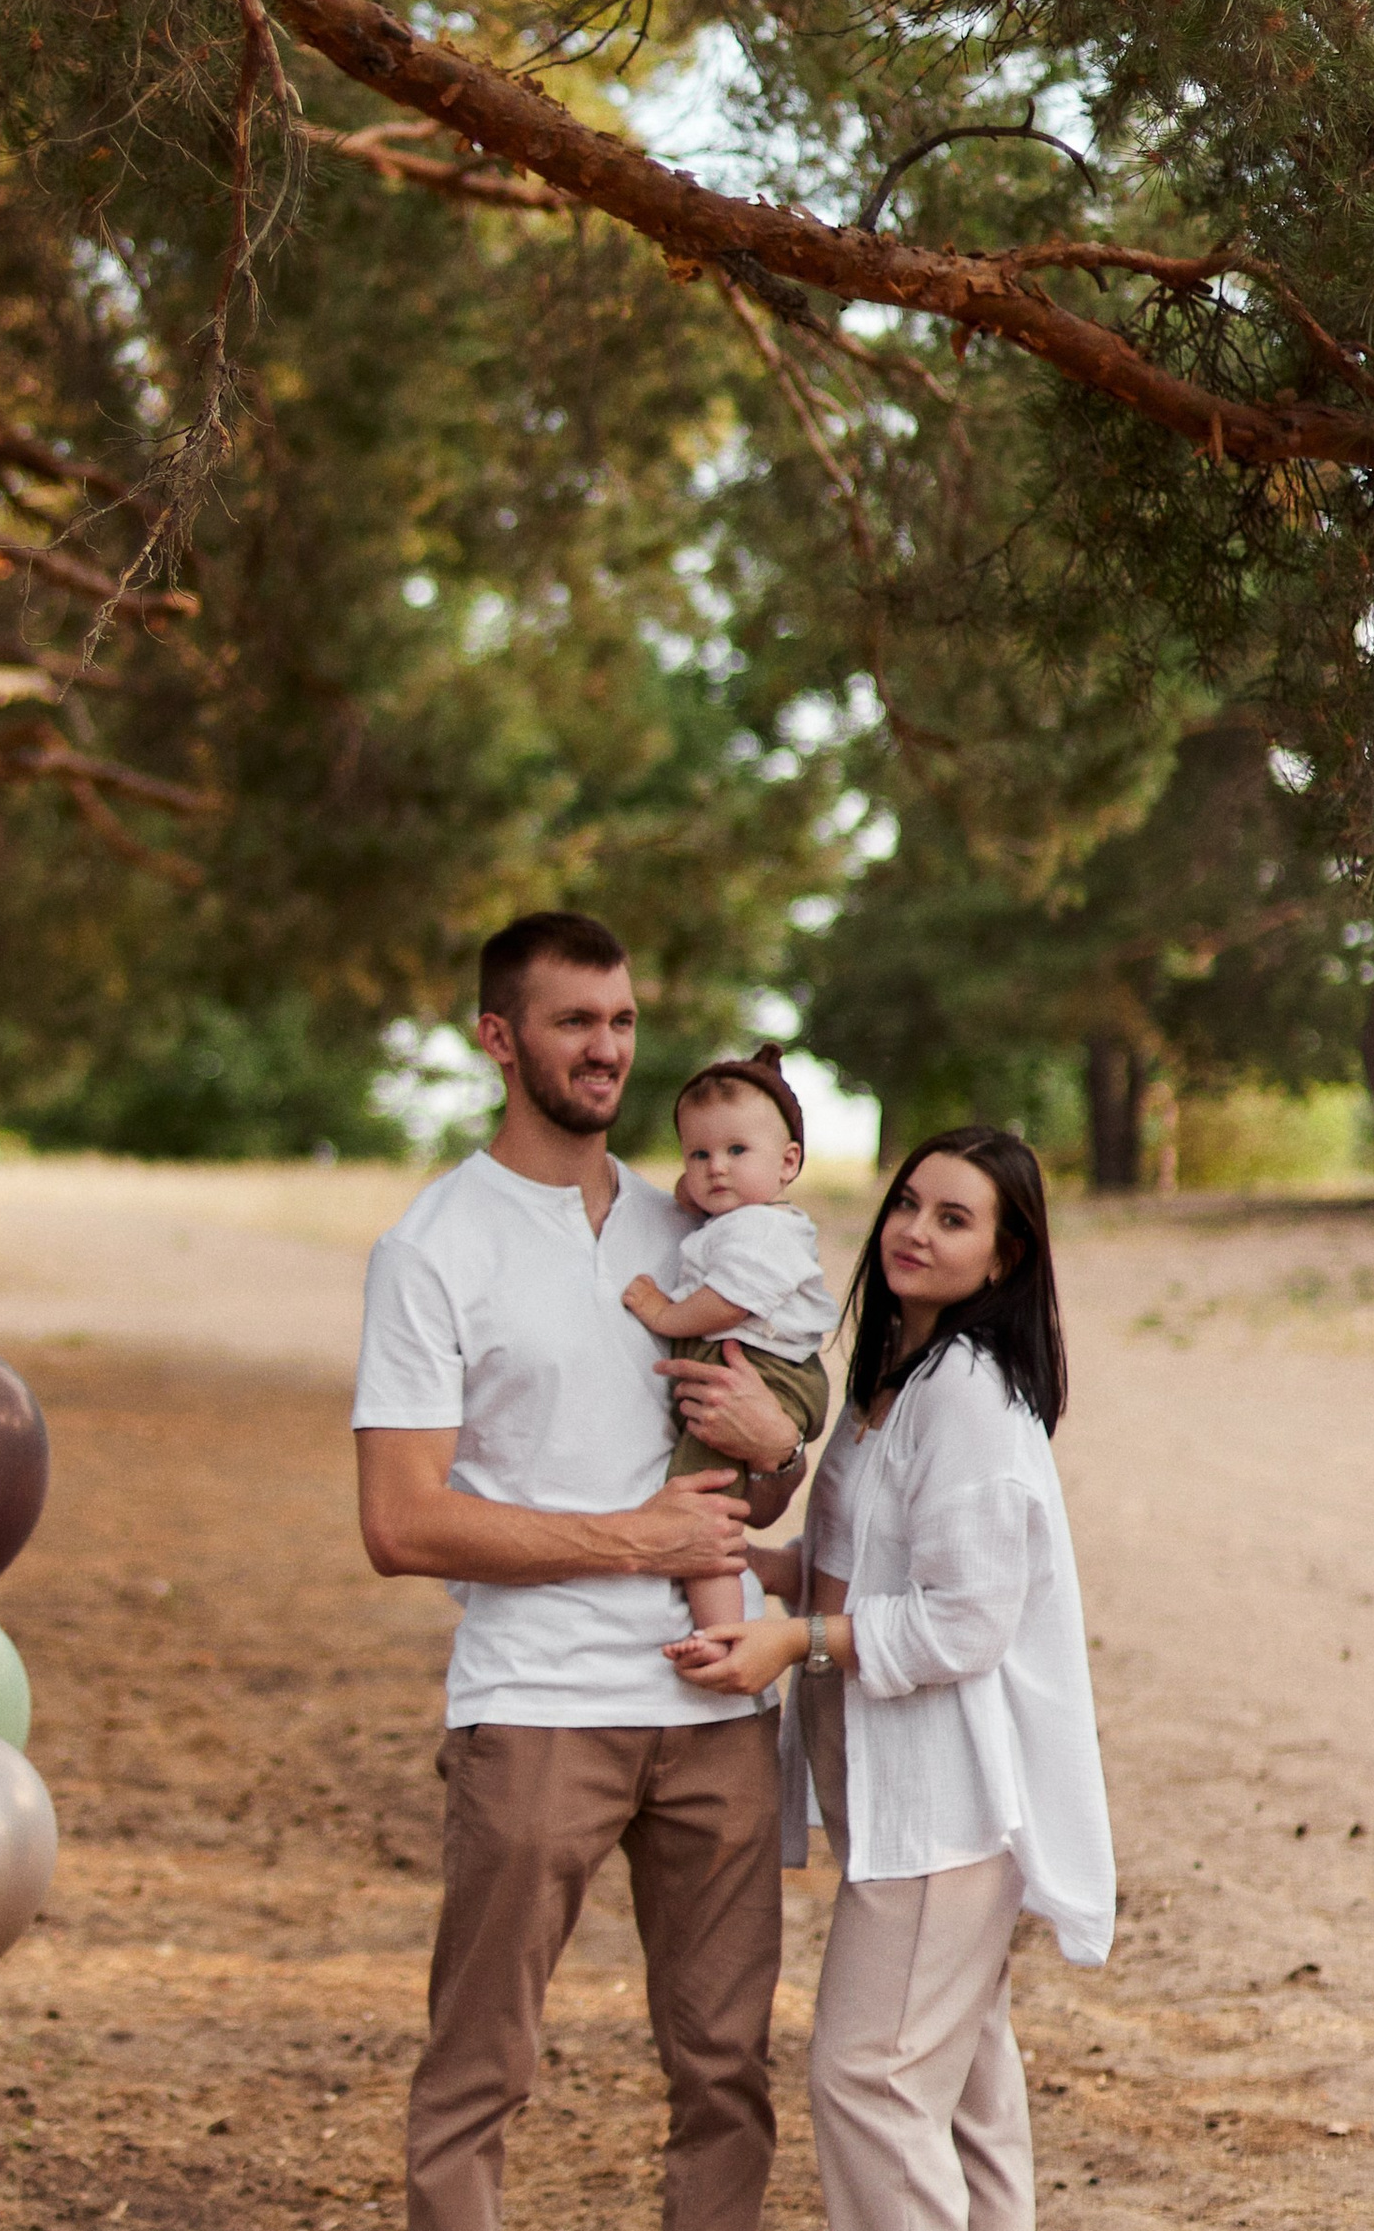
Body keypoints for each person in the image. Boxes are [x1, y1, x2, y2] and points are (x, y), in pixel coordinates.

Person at [352, 911, 810, 2231]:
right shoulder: (435, 1247)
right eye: (573, 1022)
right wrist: (631, 1541)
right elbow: (399, 1523)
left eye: (621, 1021)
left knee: (726, 2074)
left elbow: (752, 1484)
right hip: (538, 1705)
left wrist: (778, 1447)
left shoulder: (706, 1228)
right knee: (479, 2071)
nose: (606, 1049)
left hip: (716, 1700)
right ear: (498, 1038)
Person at [670, 1126, 1114, 2231]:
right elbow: (867, 1558)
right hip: (899, 1795)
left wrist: (793, 1644)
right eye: (909, 1203)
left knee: (868, 2078)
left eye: (953, 1219)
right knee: (961, 2081)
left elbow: (966, 1621)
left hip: (944, 1806)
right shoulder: (895, 1378)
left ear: (1005, 1257)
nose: (914, 1231)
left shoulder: (966, 1394)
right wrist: (758, 1564)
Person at [621, 1045, 837, 1637]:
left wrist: (665, 1314)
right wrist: (698, 1187)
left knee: (699, 1503)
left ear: (788, 1162)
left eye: (737, 1151)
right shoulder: (741, 1219)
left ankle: (720, 1633)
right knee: (707, 1498)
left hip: (765, 1371)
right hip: (758, 1365)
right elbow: (693, 1195)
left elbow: (728, 1302)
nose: (716, 1168)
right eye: (700, 1154)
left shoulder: (762, 1230)